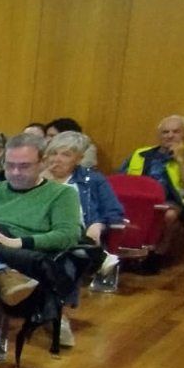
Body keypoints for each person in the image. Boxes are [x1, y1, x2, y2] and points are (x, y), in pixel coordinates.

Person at [0, 133, 86, 322]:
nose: (15, 172)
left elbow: (68, 236)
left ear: (42, 163)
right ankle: (0, 274)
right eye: (10, 165)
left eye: (24, 166)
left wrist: (16, 242)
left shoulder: (62, 194)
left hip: (24, 259)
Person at [43, 130, 125, 346]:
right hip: (41, 233)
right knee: (69, 251)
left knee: (67, 259)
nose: (57, 159)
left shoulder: (93, 180)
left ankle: (59, 314)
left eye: (66, 154)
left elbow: (114, 212)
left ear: (78, 159)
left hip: (79, 233)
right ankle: (94, 255)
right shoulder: (36, 178)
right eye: (53, 153)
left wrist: (98, 224)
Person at [119, 114, 184, 266]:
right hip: (139, 200)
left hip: (172, 201)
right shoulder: (140, 153)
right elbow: (120, 179)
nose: (170, 136)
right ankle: (119, 253)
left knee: (168, 215)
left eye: (176, 131)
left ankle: (156, 255)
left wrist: (180, 159)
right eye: (165, 132)